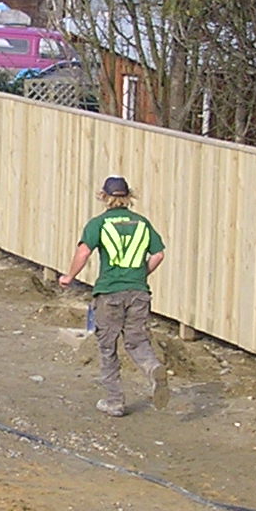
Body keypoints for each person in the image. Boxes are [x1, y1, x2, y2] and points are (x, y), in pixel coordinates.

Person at [58, 175, 168, 416]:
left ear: (104, 196)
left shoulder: (98, 224)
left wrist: (69, 276)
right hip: (138, 292)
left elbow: (84, 252)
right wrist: (141, 274)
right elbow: (158, 254)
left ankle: (114, 401)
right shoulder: (142, 223)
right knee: (136, 341)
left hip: (109, 292)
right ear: (129, 197)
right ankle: (153, 368)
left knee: (107, 346)